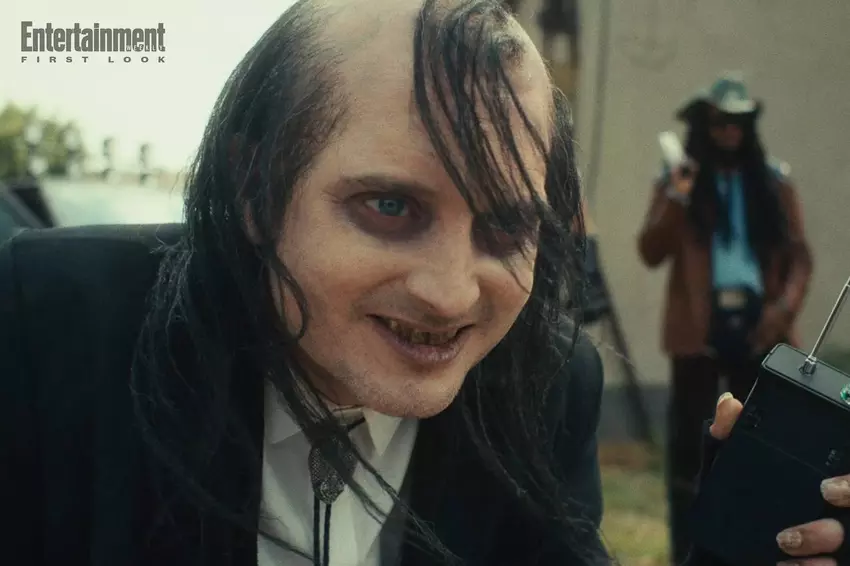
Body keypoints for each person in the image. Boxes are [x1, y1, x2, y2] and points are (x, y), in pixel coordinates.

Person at [2, 4, 846, 566]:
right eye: (390, 206)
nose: (450, 295)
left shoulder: (548, 381)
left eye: (506, 226)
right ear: (255, 187)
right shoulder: (50, 323)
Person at [637, 73, 814, 564]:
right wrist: (677, 196)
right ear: (704, 125)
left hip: (760, 324)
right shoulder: (682, 182)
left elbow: (800, 257)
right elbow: (650, 251)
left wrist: (782, 311)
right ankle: (686, 549)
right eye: (720, 122)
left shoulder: (773, 181)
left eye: (739, 122)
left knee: (760, 443)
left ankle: (752, 546)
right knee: (690, 448)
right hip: (698, 330)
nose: (730, 132)